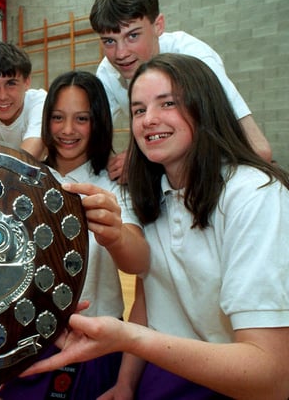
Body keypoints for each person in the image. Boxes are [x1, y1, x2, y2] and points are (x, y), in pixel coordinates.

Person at [22, 53, 289, 399]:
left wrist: (129, 338)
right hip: (159, 367)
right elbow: (151, 296)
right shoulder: (157, 194)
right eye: (138, 109)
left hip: (226, 375)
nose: (149, 119)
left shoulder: (253, 195)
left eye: (167, 104)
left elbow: (271, 376)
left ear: (204, 107)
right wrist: (126, 383)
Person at [0, 70, 148, 400]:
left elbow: (138, 262)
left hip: (92, 338)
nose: (67, 130)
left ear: (97, 121)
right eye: (57, 117)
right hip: (22, 333)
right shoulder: (23, 179)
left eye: (81, 118)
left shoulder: (115, 184)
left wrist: (114, 233)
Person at [89, 0, 272, 183]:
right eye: (109, 41)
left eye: (133, 36)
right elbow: (91, 143)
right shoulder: (108, 71)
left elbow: (259, 149)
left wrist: (143, 164)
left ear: (158, 25)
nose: (120, 53)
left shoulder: (194, 58)